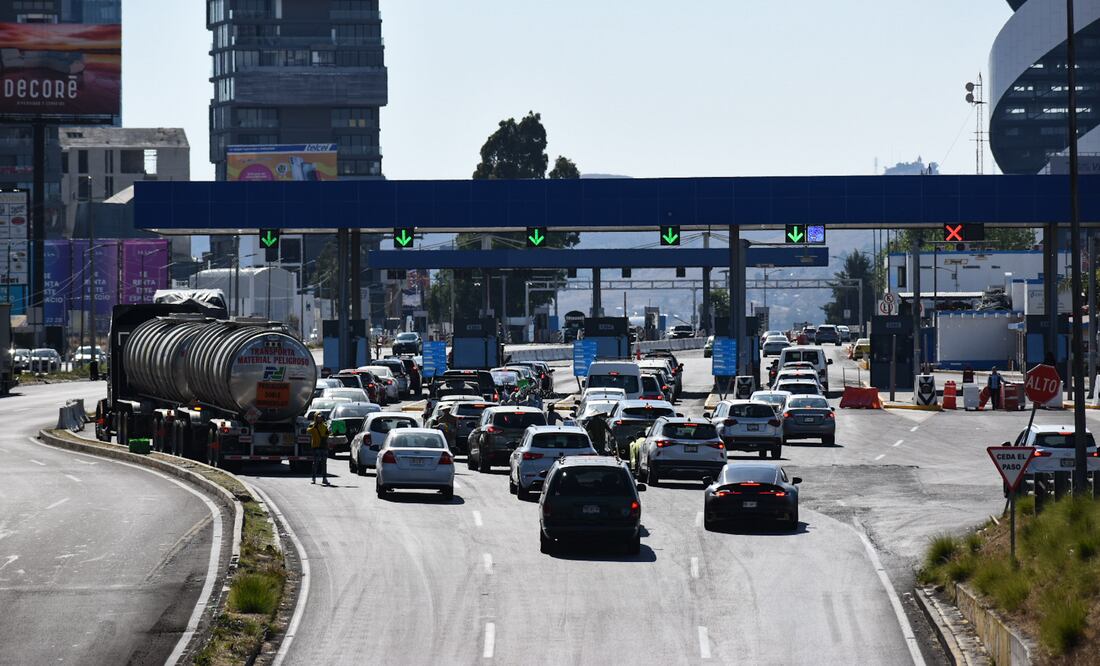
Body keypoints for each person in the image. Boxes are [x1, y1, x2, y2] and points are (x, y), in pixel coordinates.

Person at [307, 412, 330, 485]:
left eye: (321, 417)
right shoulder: (312, 425)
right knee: (315, 463)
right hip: (316, 447)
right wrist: (314, 426)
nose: (320, 419)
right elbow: (308, 431)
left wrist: (331, 431)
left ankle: (324, 478)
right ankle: (313, 478)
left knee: (324, 463)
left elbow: (328, 434)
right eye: (318, 418)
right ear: (315, 418)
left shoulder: (325, 426)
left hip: (324, 447)